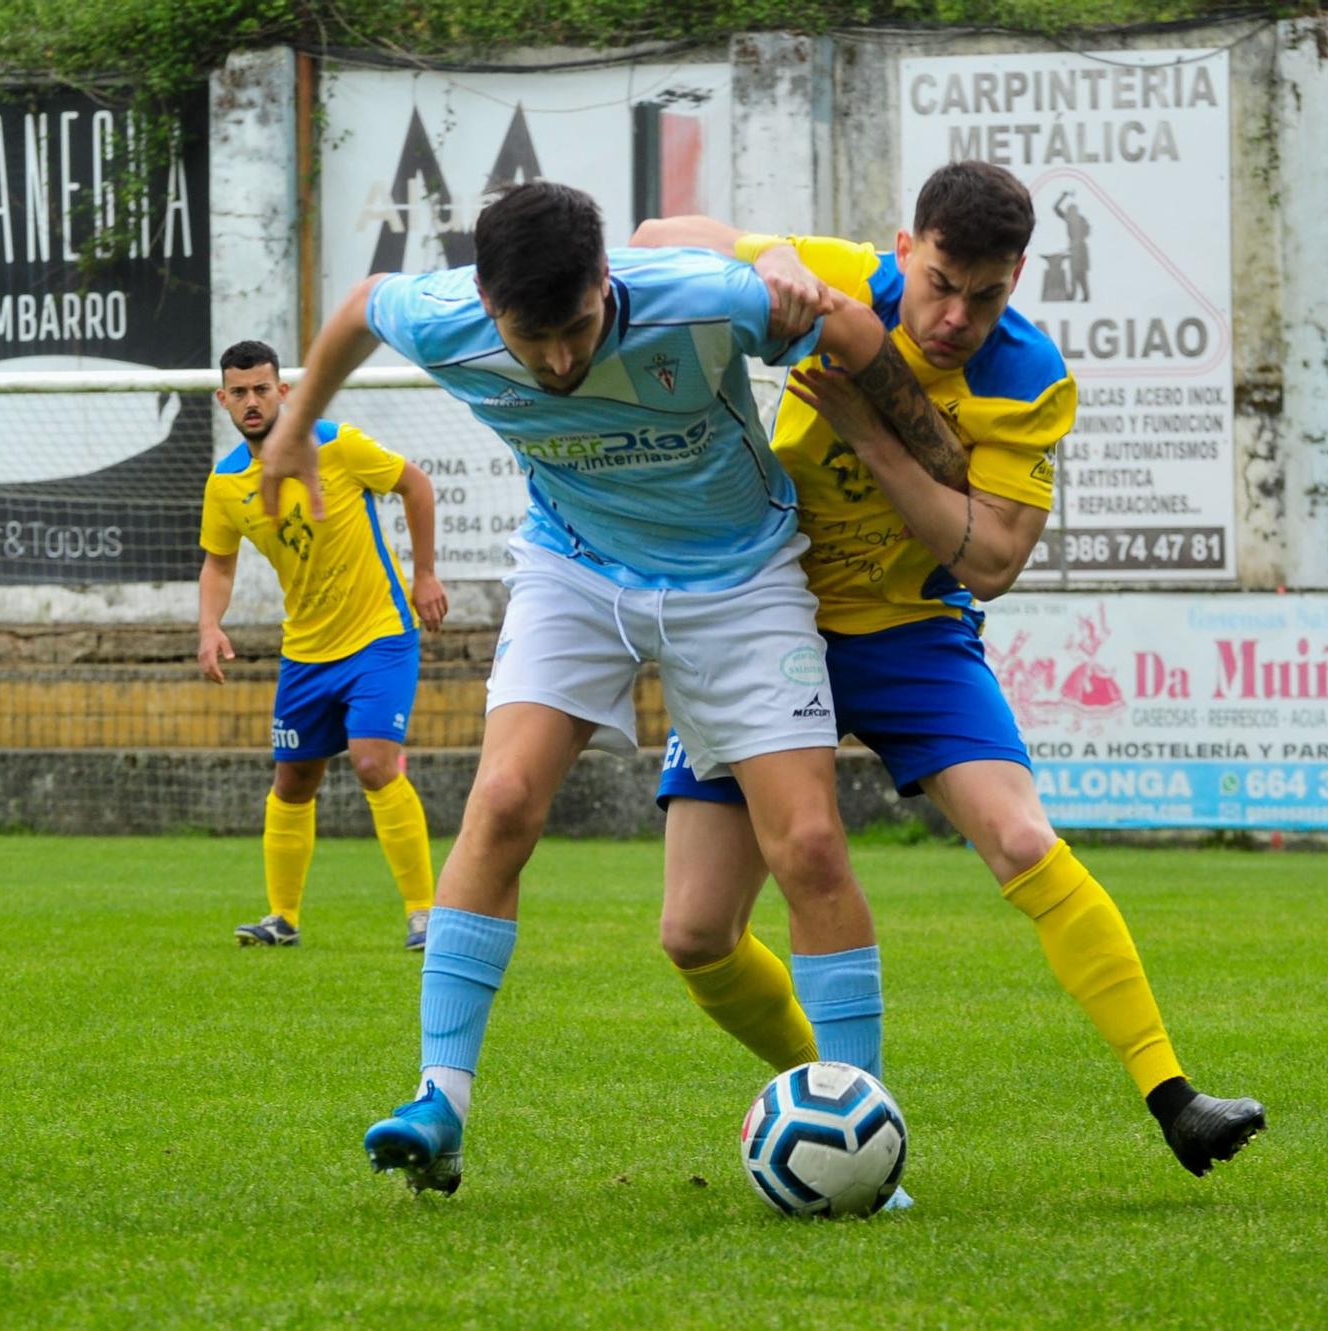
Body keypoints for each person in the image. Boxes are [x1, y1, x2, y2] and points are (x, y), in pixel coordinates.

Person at [258, 182, 968, 1196]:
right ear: (486, 304)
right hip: (575, 567)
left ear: (606, 280)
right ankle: (439, 1102)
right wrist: (292, 430)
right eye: (529, 336)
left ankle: (864, 1131)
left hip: (738, 578)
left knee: (807, 843)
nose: (556, 362)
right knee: (500, 801)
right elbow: (364, 301)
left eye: (576, 328)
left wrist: (827, 323)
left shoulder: (700, 298)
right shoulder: (447, 315)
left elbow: (848, 323)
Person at [638, 160, 1264, 1178]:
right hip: (767, 620)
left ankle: (1173, 1093)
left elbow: (990, 560)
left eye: (985, 294)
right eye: (938, 284)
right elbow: (663, 235)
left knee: (1021, 836)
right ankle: (839, 1099)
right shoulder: (844, 284)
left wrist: (869, 434)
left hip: (911, 631)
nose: (953, 317)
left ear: (1015, 276)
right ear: (901, 250)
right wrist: (776, 261)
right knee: (694, 931)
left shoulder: (1025, 378)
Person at [198, 340, 449, 950]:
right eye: (239, 391)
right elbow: (219, 565)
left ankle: (425, 914)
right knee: (293, 782)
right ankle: (282, 919)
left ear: (284, 391)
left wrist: (424, 574)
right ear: (223, 399)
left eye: (262, 388)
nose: (251, 401)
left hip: (379, 637)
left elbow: (415, 486)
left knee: (372, 763)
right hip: (305, 653)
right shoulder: (226, 482)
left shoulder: (336, 445)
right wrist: (209, 625)